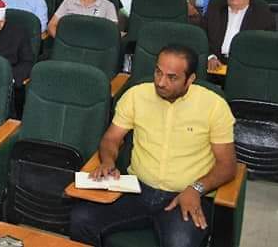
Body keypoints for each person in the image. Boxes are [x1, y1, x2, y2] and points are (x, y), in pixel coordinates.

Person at [70, 45, 237, 247]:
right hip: (137, 189)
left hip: (184, 195)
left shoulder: (214, 106)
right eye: (158, 72)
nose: (160, 82)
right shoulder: (136, 95)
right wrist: (108, 161)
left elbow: (227, 166)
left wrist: (196, 188)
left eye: (172, 77)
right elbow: (111, 139)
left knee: (180, 242)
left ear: (190, 79)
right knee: (81, 218)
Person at [202, 0, 274, 69]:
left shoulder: (261, 15)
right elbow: (202, 36)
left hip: (245, 66)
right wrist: (210, 57)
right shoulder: (215, 9)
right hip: (215, 64)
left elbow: (266, 45)